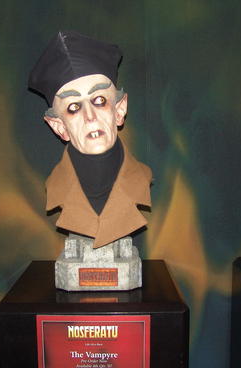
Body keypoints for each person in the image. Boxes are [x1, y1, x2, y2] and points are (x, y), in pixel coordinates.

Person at [28, 31, 152, 249]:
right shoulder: (56, 186)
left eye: (99, 100)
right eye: (74, 107)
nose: (90, 116)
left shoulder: (142, 177)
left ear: (119, 110)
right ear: (59, 126)